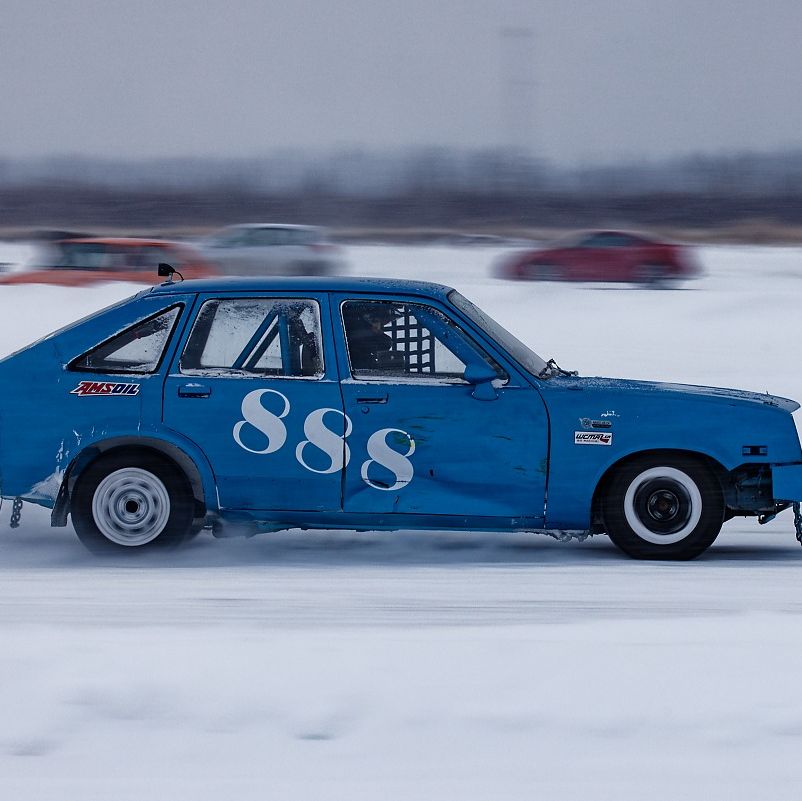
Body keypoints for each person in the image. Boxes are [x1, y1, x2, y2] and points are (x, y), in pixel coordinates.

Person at [343, 302, 401, 372]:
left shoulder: (364, 336)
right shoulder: (359, 338)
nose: (380, 326)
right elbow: (384, 344)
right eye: (375, 321)